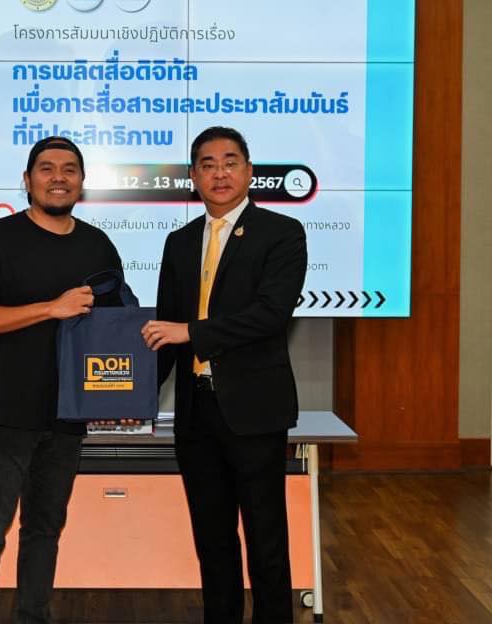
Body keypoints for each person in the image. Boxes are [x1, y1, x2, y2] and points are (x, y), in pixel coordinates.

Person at [0, 136, 123, 624]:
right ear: (27, 181)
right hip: (5, 412)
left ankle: (33, 617)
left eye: (69, 169)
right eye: (46, 168)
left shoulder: (98, 246)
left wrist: (119, 393)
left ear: (82, 182)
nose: (58, 177)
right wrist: (51, 308)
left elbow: (112, 330)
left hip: (67, 415)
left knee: (45, 529)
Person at [141, 126, 307, 624]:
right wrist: (132, 398)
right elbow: (165, 331)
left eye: (230, 162)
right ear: (193, 176)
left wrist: (190, 332)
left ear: (249, 172)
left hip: (254, 409)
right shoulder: (179, 242)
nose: (220, 173)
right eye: (208, 165)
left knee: (265, 538)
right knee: (212, 539)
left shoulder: (281, 233)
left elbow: (269, 315)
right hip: (196, 411)